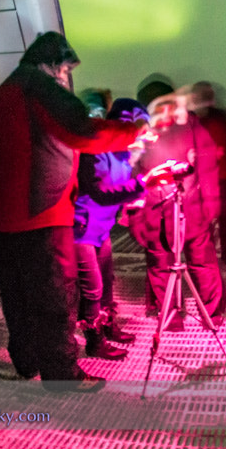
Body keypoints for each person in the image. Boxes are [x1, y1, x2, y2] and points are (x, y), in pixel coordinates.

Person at [0, 31, 142, 391]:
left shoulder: (1, 94)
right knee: (55, 298)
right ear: (52, 64)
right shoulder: (40, 87)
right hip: (42, 214)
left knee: (17, 297)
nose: (66, 78)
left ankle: (27, 361)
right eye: (65, 70)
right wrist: (132, 133)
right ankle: (62, 376)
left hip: (1, 218)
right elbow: (81, 130)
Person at [129, 87, 225, 330]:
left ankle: (206, 314)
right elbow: (130, 177)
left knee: (195, 262)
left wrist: (211, 201)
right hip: (160, 213)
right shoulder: (145, 134)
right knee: (169, 264)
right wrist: (134, 216)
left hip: (186, 209)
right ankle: (180, 317)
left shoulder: (189, 126)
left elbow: (208, 165)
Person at [73, 97, 148, 359]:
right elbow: (101, 192)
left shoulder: (123, 154)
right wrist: (142, 184)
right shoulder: (94, 151)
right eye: (125, 124)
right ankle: (94, 342)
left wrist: (133, 201)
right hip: (82, 229)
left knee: (106, 283)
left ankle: (108, 327)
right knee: (92, 288)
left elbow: (121, 188)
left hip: (102, 227)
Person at [190, 81, 226, 265]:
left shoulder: (195, 119)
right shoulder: (225, 117)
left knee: (204, 215)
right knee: (225, 214)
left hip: (204, 176)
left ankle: (208, 253)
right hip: (223, 173)